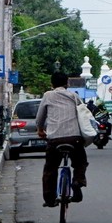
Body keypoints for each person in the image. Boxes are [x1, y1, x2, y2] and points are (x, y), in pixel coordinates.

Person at [35, 71, 89, 207]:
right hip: (74, 138)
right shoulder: (74, 96)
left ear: (52, 84)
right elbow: (83, 114)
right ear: (67, 83)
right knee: (80, 162)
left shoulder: (47, 95)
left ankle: (50, 199)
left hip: (54, 139)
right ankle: (77, 181)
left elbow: (40, 118)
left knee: (50, 169)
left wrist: (40, 130)